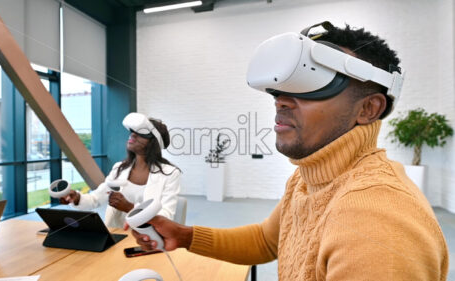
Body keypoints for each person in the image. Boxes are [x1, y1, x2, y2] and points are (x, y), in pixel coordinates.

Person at [129, 23, 449, 280]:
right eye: (280, 90)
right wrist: (184, 236)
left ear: (368, 108)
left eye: (312, 84)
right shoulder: (307, 179)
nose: (280, 101)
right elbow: (266, 241)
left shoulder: (378, 220)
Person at [61, 113, 181, 228]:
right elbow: (95, 199)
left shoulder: (170, 174)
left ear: (154, 142)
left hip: (148, 239)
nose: (133, 135)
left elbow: (166, 216)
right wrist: (76, 198)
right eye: (132, 131)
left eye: (141, 133)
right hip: (116, 234)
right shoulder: (119, 168)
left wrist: (130, 208)